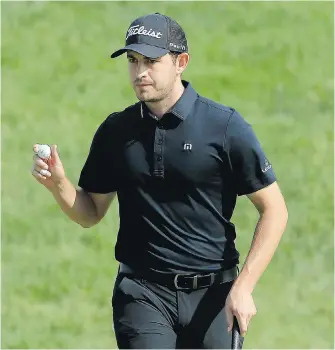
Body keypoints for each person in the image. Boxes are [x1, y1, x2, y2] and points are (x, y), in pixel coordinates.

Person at [31, 12, 288, 349]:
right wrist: (58, 185)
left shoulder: (224, 127)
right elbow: (90, 212)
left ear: (181, 62)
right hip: (142, 294)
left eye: (151, 61)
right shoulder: (116, 132)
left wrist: (243, 286)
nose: (140, 72)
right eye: (133, 61)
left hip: (215, 297)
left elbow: (275, 210)